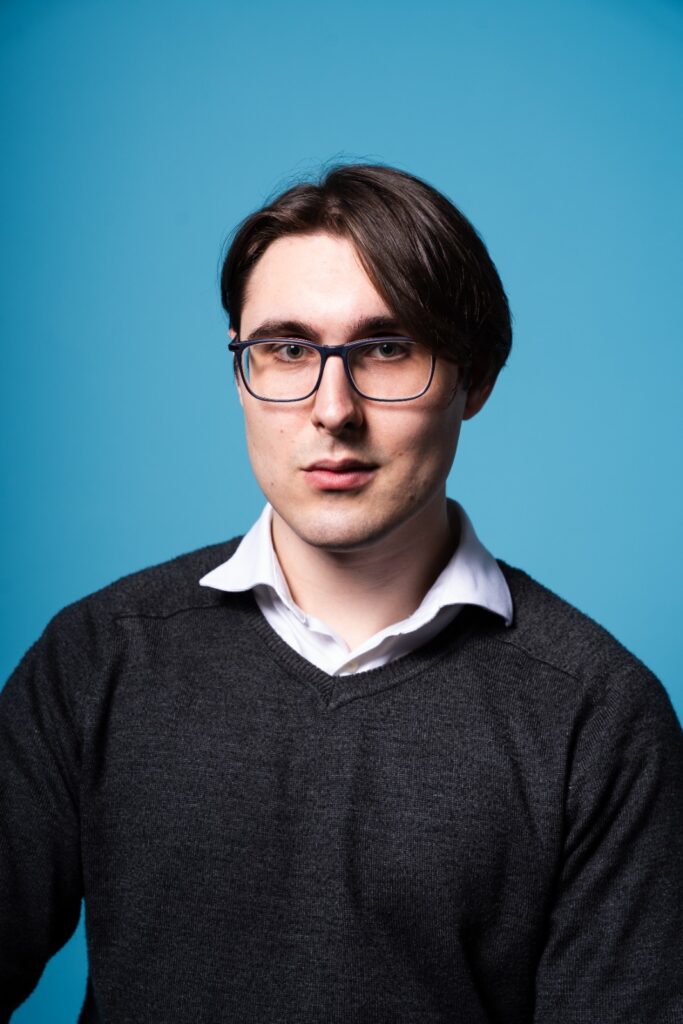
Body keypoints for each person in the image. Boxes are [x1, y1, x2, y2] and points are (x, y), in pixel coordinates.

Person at [1, 164, 681, 1024]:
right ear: (239, 369)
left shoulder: (598, 716)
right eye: (287, 350)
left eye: (386, 349)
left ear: (474, 377)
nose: (332, 409)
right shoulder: (99, 658)